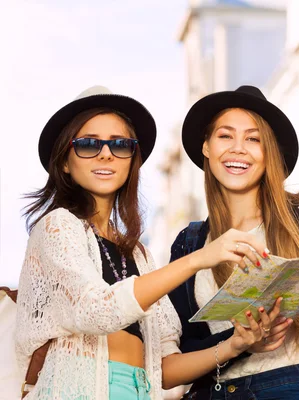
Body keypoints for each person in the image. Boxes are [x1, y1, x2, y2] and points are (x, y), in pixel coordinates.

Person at [16, 86, 278, 399]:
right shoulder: (57, 227)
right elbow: (95, 310)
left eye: (120, 145)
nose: (105, 153)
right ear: (64, 162)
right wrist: (198, 258)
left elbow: (167, 366)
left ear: (132, 161)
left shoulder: (138, 254)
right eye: (88, 144)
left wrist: (235, 344)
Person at [168, 85, 299, 400]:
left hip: (295, 387)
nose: (238, 148)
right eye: (226, 136)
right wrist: (240, 341)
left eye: (253, 139)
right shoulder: (190, 244)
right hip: (217, 391)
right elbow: (182, 351)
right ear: (206, 148)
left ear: (269, 153)